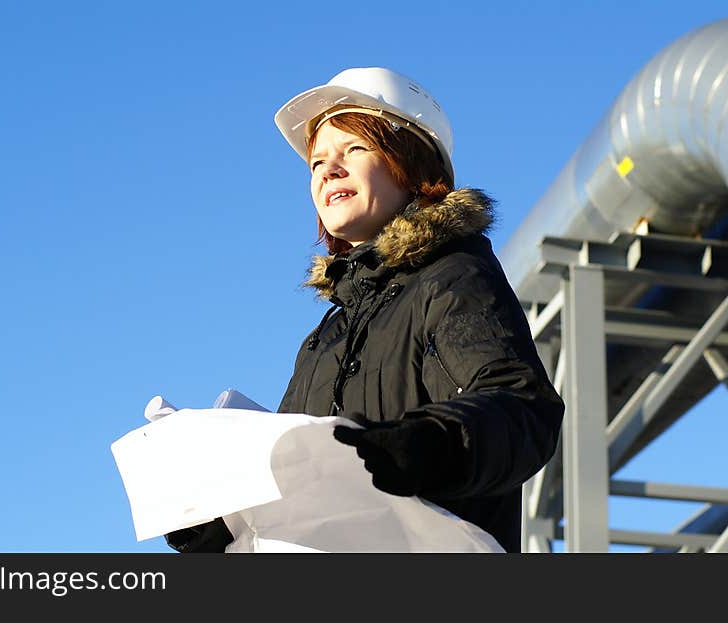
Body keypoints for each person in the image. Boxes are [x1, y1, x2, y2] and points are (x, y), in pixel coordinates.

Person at [166, 67, 564, 553]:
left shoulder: (453, 277)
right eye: (317, 162)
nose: (329, 170)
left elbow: (522, 408)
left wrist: (433, 443)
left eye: (354, 149)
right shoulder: (325, 338)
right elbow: (294, 484)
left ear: (414, 167)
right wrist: (221, 513)